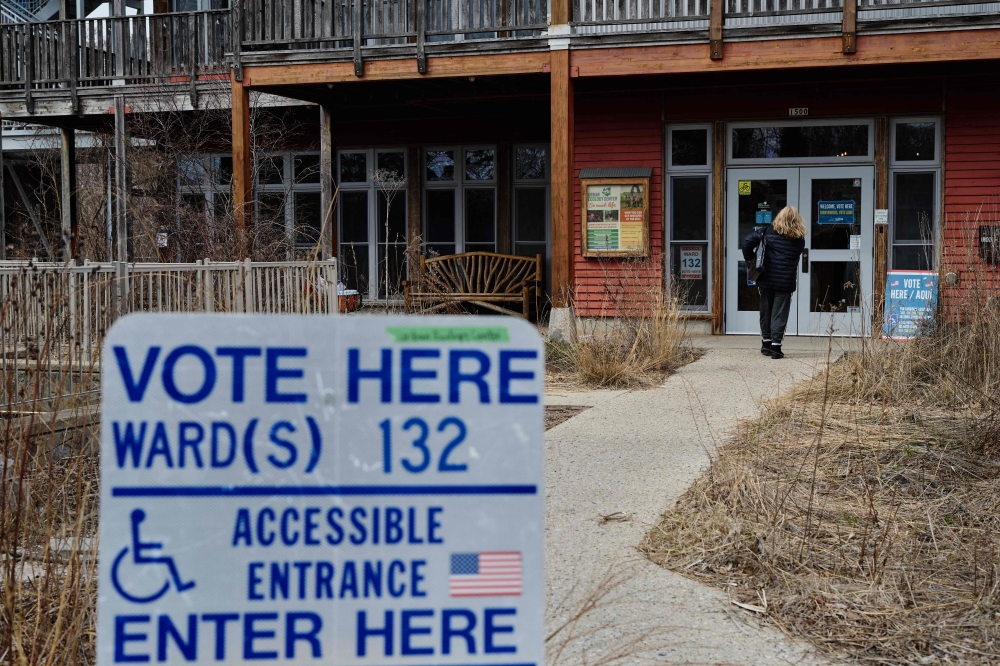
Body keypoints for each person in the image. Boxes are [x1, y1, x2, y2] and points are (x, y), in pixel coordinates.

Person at [741, 206, 806, 360]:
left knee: (766, 310)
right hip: (785, 280)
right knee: (779, 313)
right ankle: (776, 347)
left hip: (766, 277)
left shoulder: (767, 232)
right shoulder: (799, 239)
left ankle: (766, 343)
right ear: (797, 220)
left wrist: (750, 260)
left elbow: (746, 242)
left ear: (779, 217)